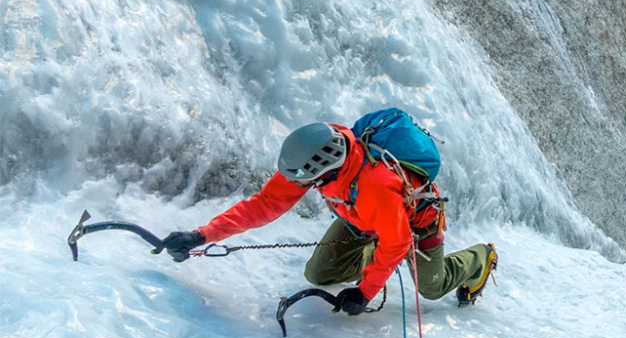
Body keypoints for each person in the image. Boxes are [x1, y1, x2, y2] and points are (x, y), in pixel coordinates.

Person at [156, 121, 497, 313]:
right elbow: (263, 205)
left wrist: (364, 292)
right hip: (364, 219)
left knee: (433, 287)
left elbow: (398, 244)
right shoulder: (317, 159)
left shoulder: (374, 185)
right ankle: (370, 246)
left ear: (323, 173)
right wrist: (201, 235)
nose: (296, 185)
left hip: (414, 222)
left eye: (302, 181)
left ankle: (479, 258)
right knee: (319, 273)